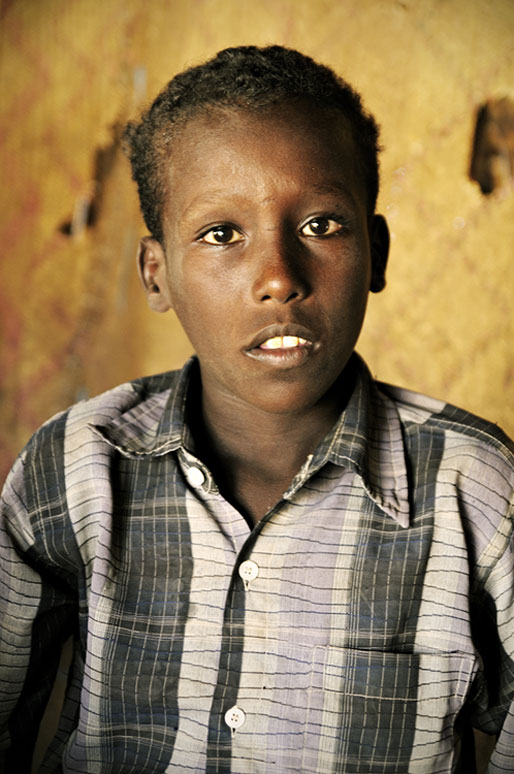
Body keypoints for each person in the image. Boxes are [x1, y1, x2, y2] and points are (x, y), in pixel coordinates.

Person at [0, 45, 513, 774]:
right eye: (221, 234)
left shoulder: (472, 484)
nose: (278, 277)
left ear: (377, 251)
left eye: (321, 226)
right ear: (157, 274)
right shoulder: (77, 468)